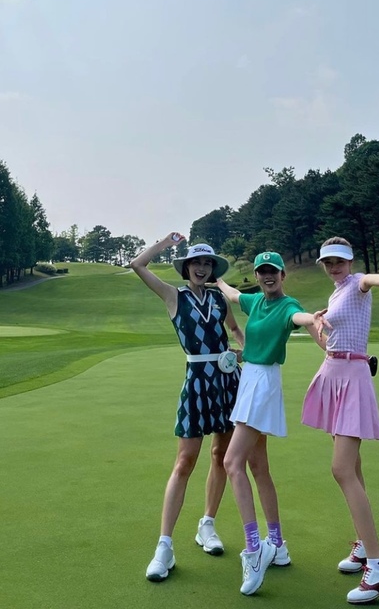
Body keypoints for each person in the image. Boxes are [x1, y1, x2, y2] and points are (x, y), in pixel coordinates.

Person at [301, 237, 379, 605]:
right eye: (328, 262)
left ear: (350, 262)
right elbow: (332, 342)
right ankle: (365, 548)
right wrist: (316, 325)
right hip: (333, 373)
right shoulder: (336, 295)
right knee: (353, 466)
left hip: (352, 378)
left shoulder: (356, 284)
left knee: (341, 470)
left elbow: (373, 279)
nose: (334, 266)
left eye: (340, 261)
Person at [130, 234, 246, 583]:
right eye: (196, 263)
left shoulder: (218, 298)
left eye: (207, 263)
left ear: (212, 269)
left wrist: (249, 353)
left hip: (227, 381)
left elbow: (236, 331)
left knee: (221, 456)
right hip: (196, 381)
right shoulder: (173, 296)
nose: (201, 267)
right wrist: (166, 242)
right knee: (184, 463)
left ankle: (207, 525)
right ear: (186, 267)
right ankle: (164, 547)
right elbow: (137, 265)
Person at [216, 250, 322, 596]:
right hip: (251, 379)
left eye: (273, 272)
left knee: (232, 462)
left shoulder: (287, 304)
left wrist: (314, 320)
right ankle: (277, 543)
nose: (267, 276)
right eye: (262, 272)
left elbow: (299, 317)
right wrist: (211, 275)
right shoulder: (255, 301)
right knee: (258, 466)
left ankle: (254, 549)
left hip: (262, 386)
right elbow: (232, 293)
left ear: (283, 274)